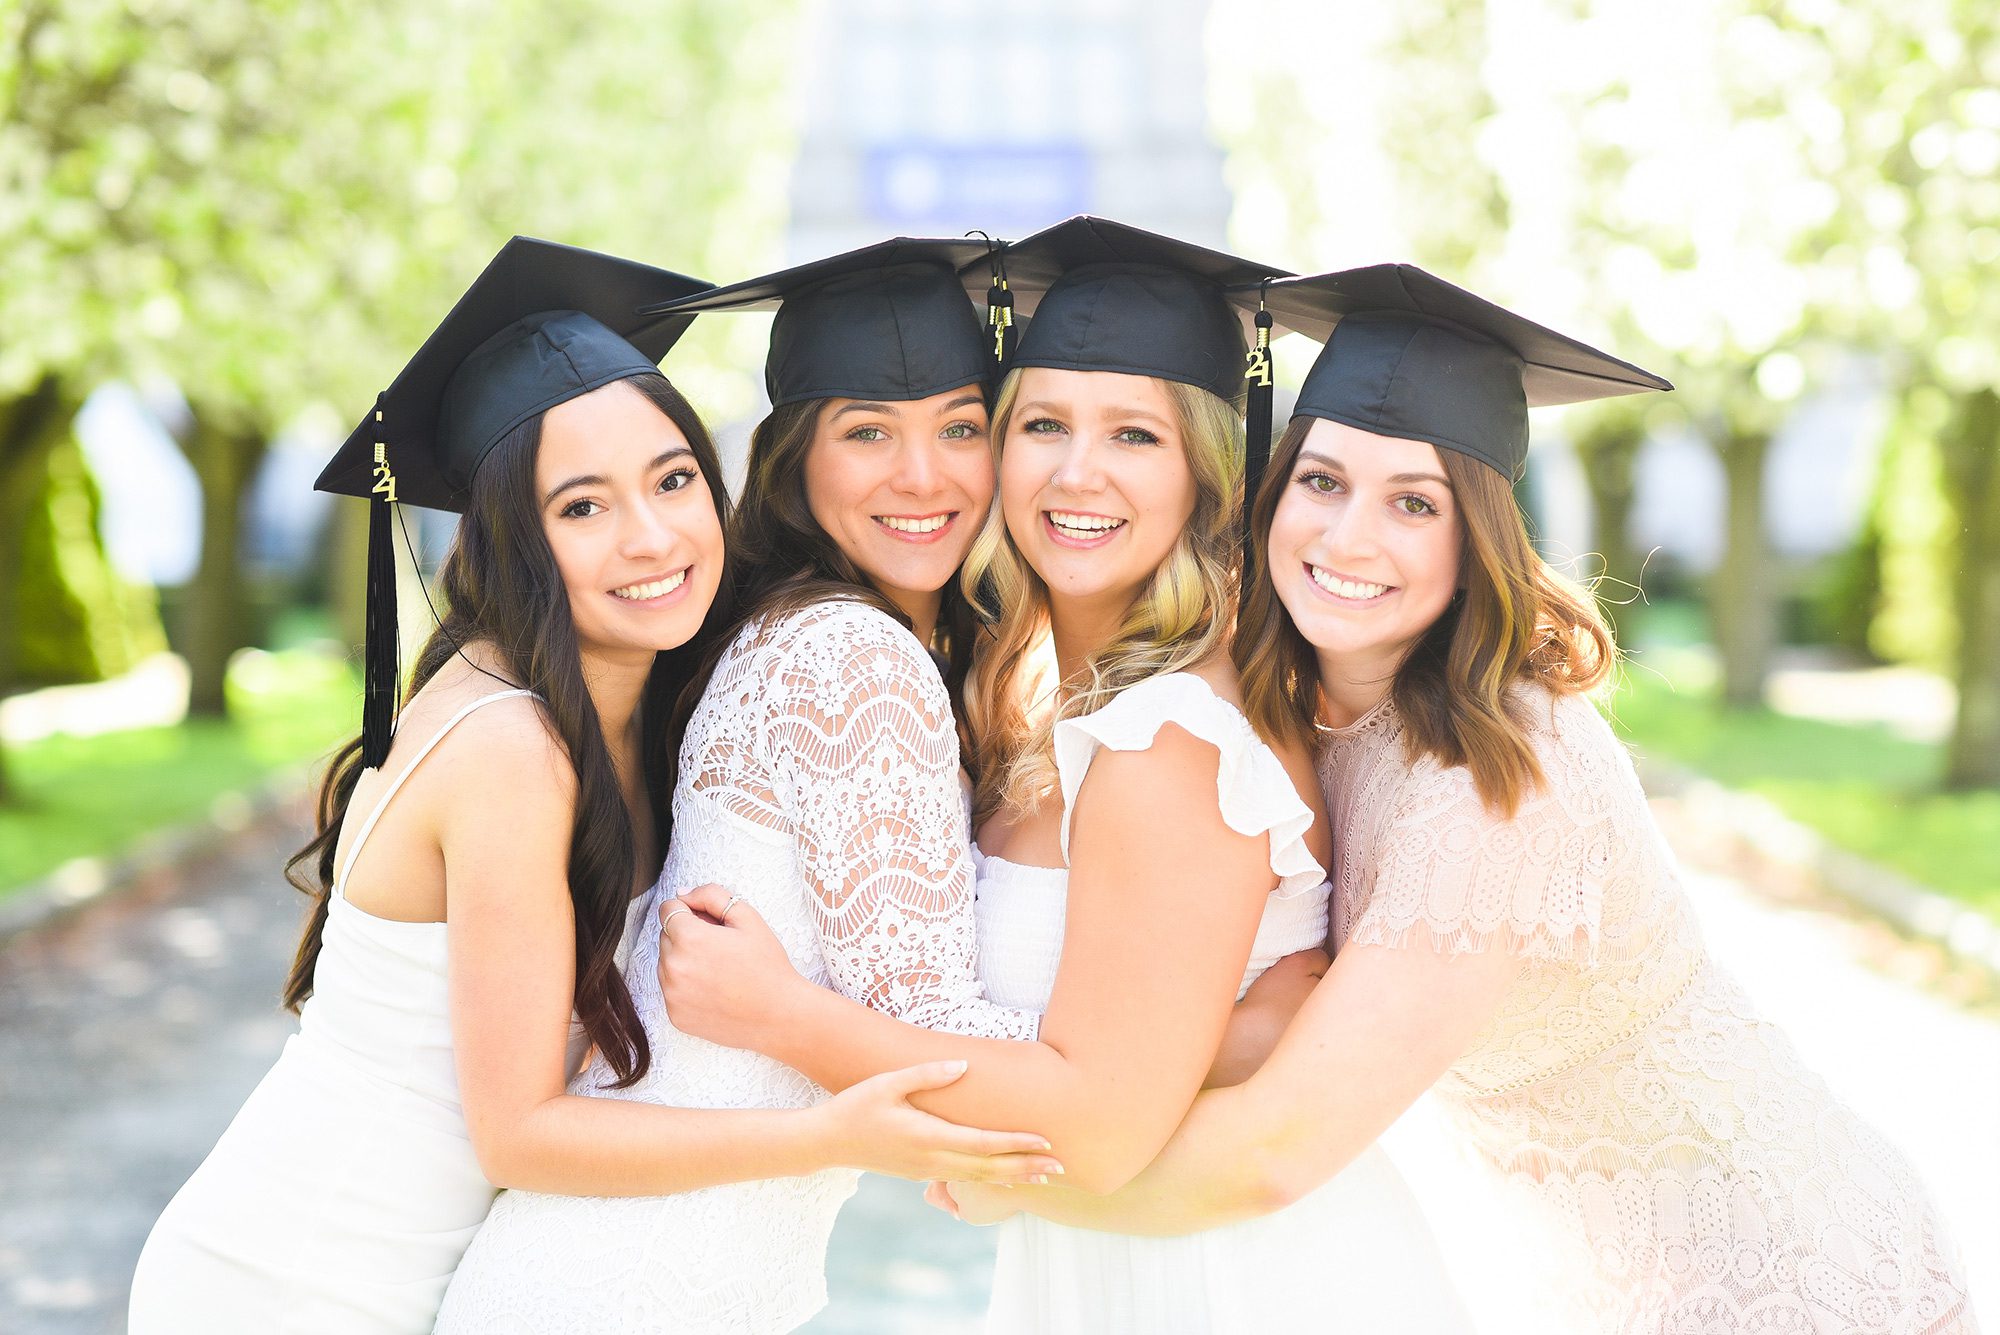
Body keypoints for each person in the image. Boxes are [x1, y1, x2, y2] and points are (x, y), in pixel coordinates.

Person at [937, 266, 1979, 1334]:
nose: (1348, 538)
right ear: (1270, 495)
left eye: (1413, 503)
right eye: (1323, 482)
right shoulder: (1295, 705)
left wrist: (1017, 1184)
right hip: (1569, 1270)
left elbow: (1274, 1152)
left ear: (1476, 538)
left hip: (1775, 1269)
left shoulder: (1500, 775)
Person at [128, 239, 1048, 1335]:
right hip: (302, 1277)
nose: (650, 537)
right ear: (512, 537)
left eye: (671, 480)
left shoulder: (636, 698)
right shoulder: (511, 749)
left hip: (442, 1265)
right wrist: (829, 1132)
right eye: (581, 507)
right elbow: (520, 1131)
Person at [658, 218, 1469, 1333]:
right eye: (1042, 424)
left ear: (1204, 474)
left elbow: (1094, 1125)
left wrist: (781, 1015)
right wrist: (1228, 1040)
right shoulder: (1043, 712)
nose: (1077, 471)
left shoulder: (1170, 735)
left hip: (1229, 1284)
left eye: (1135, 434)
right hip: (1101, 1258)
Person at [433, 237, 1062, 1334]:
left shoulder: (779, 630)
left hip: (634, 1279)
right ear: (792, 460)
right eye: (866, 431)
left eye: (961, 427)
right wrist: (1211, 1022)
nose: (924, 477)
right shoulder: (853, 661)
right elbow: (928, 1039)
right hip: (628, 1295)